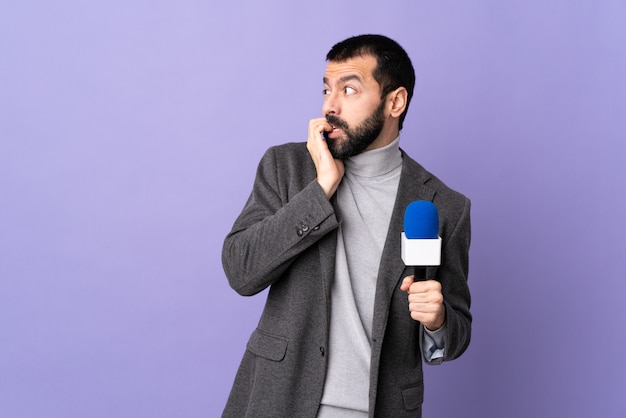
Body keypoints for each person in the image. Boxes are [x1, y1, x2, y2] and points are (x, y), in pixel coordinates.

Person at [221, 34, 472, 418]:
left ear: (395, 102)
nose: (330, 105)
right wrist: (321, 188)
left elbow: (455, 335)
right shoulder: (287, 168)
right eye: (326, 89)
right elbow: (242, 271)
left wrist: (438, 320)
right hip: (278, 402)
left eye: (349, 89)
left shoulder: (443, 205)